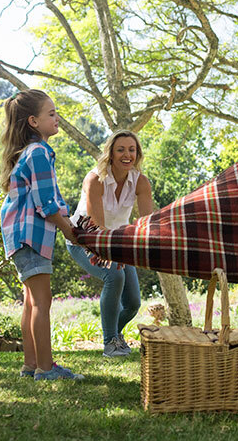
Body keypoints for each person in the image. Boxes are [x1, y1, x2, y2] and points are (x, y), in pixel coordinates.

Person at [0, 89, 84, 381]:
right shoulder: (39, 153)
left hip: (21, 236)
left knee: (31, 301)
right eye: (51, 113)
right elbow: (47, 204)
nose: (57, 117)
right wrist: (70, 232)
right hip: (30, 235)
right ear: (34, 121)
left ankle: (31, 365)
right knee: (42, 301)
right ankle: (46, 369)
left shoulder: (31, 153)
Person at [67, 130, 154, 357]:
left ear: (138, 154)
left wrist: (144, 245)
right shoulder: (95, 179)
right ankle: (110, 343)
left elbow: (148, 222)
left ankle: (115, 335)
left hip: (117, 243)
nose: (127, 155)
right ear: (111, 154)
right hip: (85, 239)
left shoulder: (141, 182)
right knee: (114, 276)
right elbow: (97, 225)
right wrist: (116, 254)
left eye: (132, 150)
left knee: (133, 302)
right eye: (121, 149)